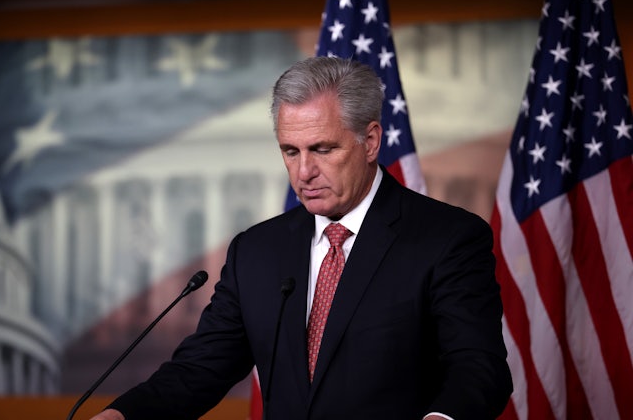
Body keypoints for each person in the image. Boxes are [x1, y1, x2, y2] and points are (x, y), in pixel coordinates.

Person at [89, 57, 512, 420]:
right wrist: (124, 414)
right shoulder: (256, 252)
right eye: (290, 151)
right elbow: (200, 369)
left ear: (370, 142)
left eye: (322, 149)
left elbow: (478, 367)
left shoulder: (447, 239)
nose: (303, 172)